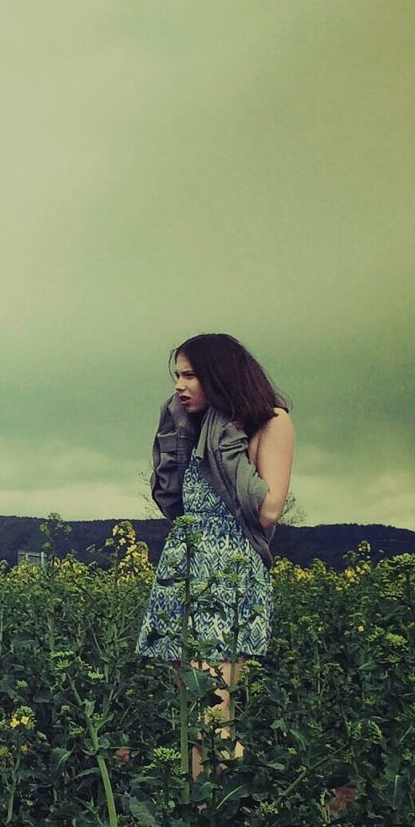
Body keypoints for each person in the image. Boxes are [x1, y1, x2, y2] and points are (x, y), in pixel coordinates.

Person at [135, 333, 295, 781]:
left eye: (190, 375)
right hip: (182, 568)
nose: (179, 386)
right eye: (177, 376)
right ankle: (202, 820)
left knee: (212, 713)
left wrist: (228, 440)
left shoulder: (269, 422)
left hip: (229, 571)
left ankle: (258, 805)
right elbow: (173, 499)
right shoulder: (193, 424)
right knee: (192, 714)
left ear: (219, 376)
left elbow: (268, 510)